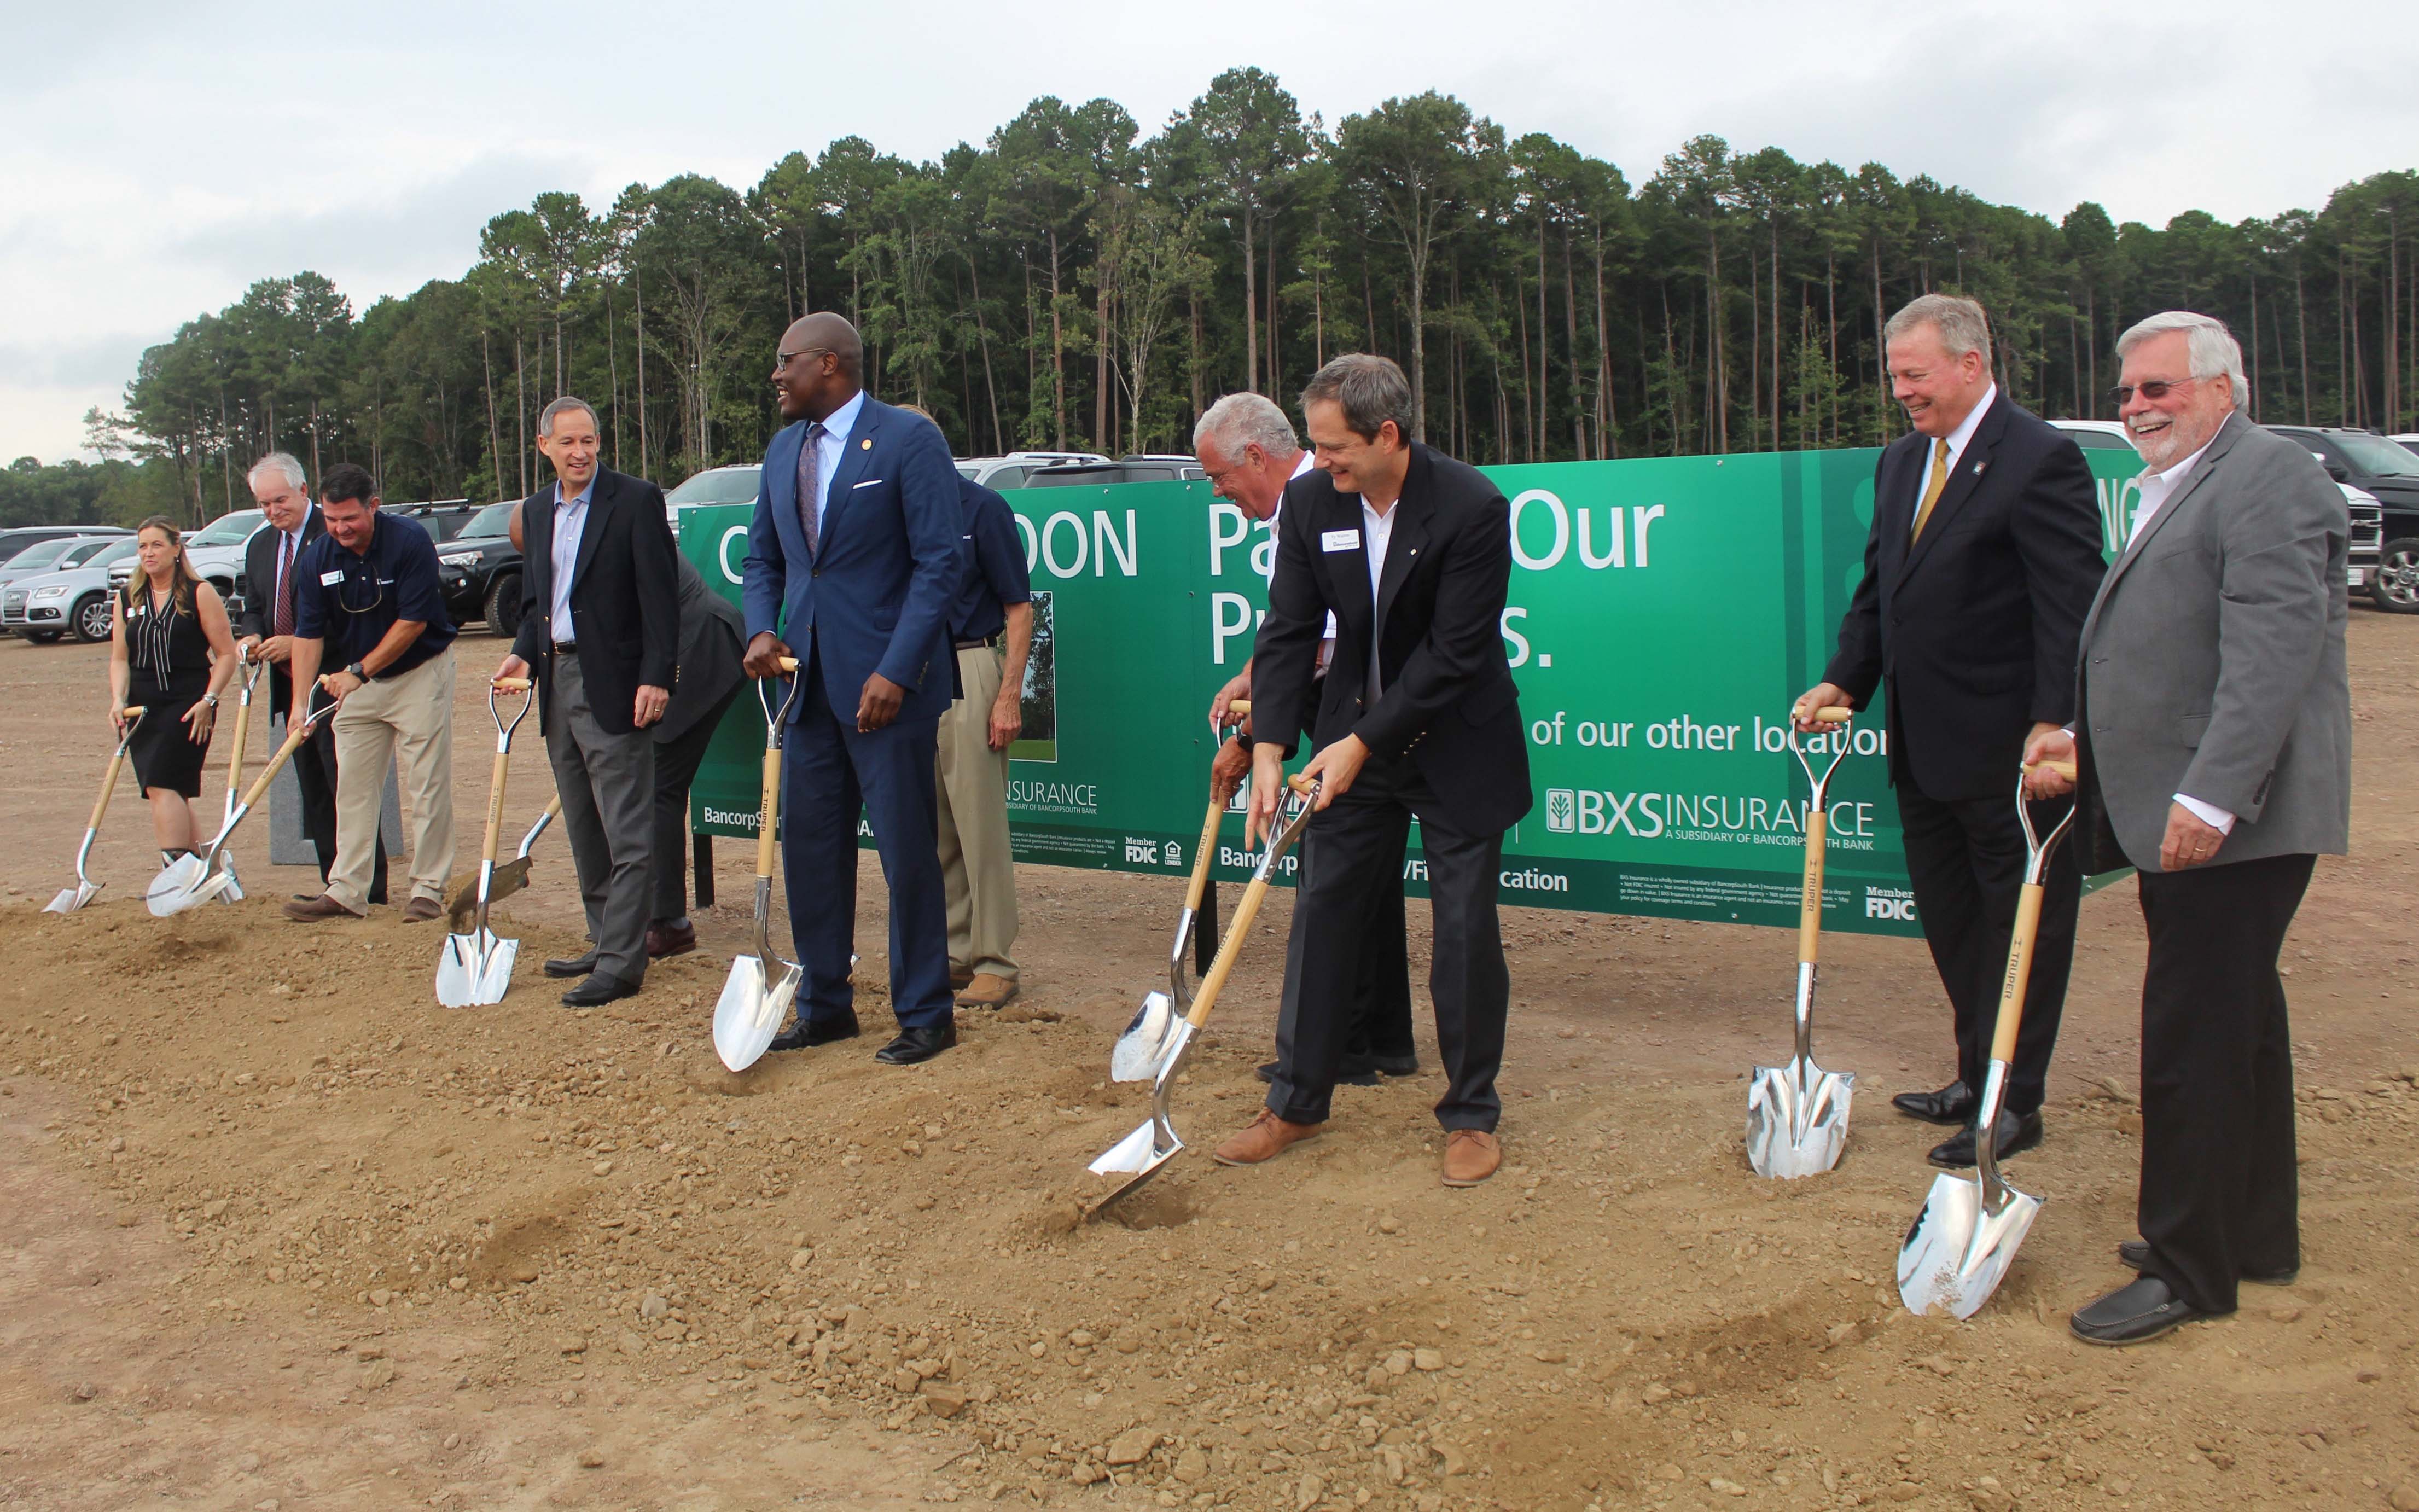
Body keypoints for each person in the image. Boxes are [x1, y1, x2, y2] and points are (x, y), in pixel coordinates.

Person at [2026, 311, 2349, 1345]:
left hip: (2228, 816)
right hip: (2181, 797)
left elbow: (2270, 655)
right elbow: (2159, 648)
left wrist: (2209, 799)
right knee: (2239, 1023)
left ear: (2222, 387)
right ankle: (2250, 1234)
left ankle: (2185, 1265)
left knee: (2191, 1037)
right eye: (2126, 392)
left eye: (2157, 388)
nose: (2136, 408)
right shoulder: (2183, 482)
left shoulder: (2269, 477)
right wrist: (2080, 732)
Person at [1796, 293, 2107, 1168]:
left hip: (2014, 758)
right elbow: (1879, 595)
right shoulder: (1901, 464)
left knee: (2021, 931)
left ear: (1970, 366)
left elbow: (2069, 606)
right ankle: (1977, 1075)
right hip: (1924, 753)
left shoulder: (2041, 460)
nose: (1900, 390)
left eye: (1914, 374)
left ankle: (2015, 1103)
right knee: (1956, 929)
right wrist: (1841, 679)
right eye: (1894, 374)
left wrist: (2058, 726)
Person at [1215, 354, 1531, 1188]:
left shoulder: (1469, 505)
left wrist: (1359, 745)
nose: (1321, 465)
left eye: (1333, 448)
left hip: (1456, 743)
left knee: (1463, 930)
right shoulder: (1313, 502)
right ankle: (1294, 1103)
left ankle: (1469, 1113)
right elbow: (1286, 627)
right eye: (1315, 448)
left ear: (1386, 435)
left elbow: (1455, 655)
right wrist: (1273, 748)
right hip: (1346, 740)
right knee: (1323, 911)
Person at [741, 312, 964, 1065]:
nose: (776, 375)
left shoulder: (907, 440)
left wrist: (897, 669)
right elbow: (763, 561)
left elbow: (940, 565)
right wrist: (758, 631)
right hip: (802, 688)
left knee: (906, 853)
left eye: (785, 362)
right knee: (809, 850)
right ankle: (824, 1005)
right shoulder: (781, 450)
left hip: (885, 692)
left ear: (827, 364)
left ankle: (926, 1013)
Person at [1195, 392, 1417, 1089]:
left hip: (1356, 710)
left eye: (1220, 478)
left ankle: (1340, 1048)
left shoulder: (1315, 500)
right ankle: (1384, 1038)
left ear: (1255, 458)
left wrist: (1260, 733)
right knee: (1369, 882)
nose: (1220, 493)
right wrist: (1254, 678)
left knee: (1336, 879)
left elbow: (1321, 641)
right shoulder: (1302, 506)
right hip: (1351, 701)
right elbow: (1295, 627)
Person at [497, 397, 680, 1007]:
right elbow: (537, 602)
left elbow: (660, 599)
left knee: (628, 829)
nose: (580, 453)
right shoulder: (535, 511)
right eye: (568, 443)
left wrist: (657, 676)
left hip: (619, 684)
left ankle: (624, 964)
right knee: (583, 827)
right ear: (543, 445)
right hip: (558, 682)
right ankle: (605, 940)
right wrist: (523, 653)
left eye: (590, 442)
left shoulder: (634, 500)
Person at [508, 504, 745, 958]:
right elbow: (544, 615)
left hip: (698, 651)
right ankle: (635, 920)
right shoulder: (558, 547)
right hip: (666, 657)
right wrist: (524, 653)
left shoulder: (613, 534)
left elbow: (628, 622)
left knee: (656, 785)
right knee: (645, 784)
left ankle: (665, 922)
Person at [282, 464, 458, 923]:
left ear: (373, 507)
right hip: (356, 683)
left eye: (350, 519)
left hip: (419, 674)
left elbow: (413, 622)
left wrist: (359, 671)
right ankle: (347, 890)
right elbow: (308, 634)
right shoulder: (318, 557)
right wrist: (300, 704)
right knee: (353, 788)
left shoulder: (409, 541)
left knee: (426, 785)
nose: (340, 529)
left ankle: (428, 890)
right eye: (331, 519)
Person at [236, 453, 388, 903]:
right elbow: (252, 604)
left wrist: (298, 642)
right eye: (263, 504)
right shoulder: (261, 546)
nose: (272, 511)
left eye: (279, 500)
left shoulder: (337, 534)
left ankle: (369, 890)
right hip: (291, 690)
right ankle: (333, 885)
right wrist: (252, 637)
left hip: (339, 682)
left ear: (304, 491)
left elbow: (353, 611)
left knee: (349, 791)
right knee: (316, 793)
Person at [926, 412, 1033, 1011]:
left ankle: (996, 960)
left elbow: (1019, 611)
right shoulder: (897, 513)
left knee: (979, 826)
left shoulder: (982, 509)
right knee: (936, 828)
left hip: (969, 664)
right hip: (911, 675)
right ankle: (954, 952)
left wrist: (1008, 695)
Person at [108, 516, 237, 858]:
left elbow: (226, 654)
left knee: (162, 783)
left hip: (188, 703)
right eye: (142, 546)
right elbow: (120, 658)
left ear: (177, 549)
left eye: (157, 545)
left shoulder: (200, 593)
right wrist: (117, 700)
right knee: (168, 789)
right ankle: (204, 869)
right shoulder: (128, 596)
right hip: (143, 707)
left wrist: (209, 700)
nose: (148, 553)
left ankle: (176, 869)